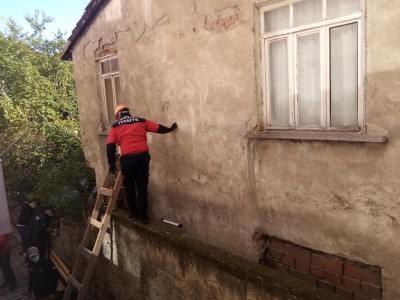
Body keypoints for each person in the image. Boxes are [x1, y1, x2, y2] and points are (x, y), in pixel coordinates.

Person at [107, 104, 178, 224]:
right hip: (142, 158)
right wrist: (170, 129)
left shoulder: (115, 126)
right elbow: (158, 128)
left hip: (128, 160)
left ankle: (133, 214)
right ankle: (143, 217)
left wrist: (111, 163)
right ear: (128, 112)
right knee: (142, 188)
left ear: (118, 115)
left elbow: (110, 146)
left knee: (129, 188)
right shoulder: (141, 121)